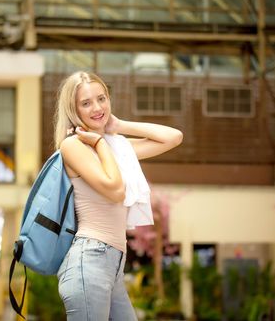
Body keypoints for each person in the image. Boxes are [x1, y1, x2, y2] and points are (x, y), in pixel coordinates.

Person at [54, 71, 183, 320]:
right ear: (74, 110)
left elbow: (173, 137)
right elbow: (116, 192)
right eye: (86, 103)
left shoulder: (116, 145)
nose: (97, 107)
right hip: (89, 260)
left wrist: (119, 126)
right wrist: (100, 143)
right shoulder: (73, 146)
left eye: (101, 98)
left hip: (112, 265)